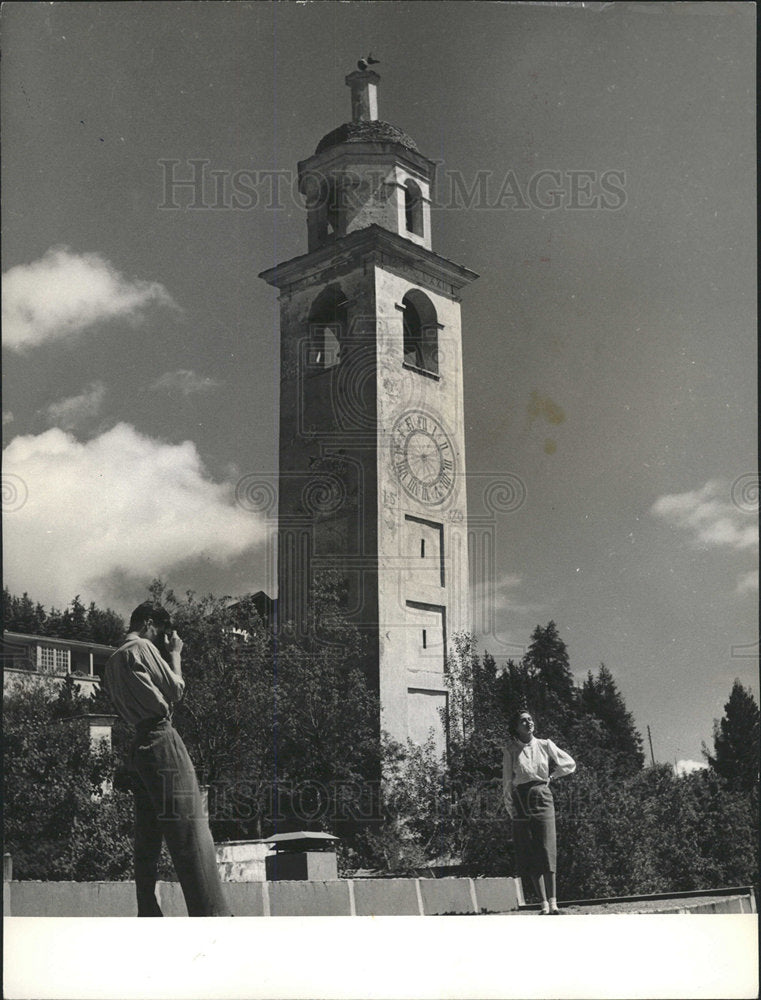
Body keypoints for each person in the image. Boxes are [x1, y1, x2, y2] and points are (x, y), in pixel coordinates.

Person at [104, 602, 231, 917]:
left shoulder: (110, 663)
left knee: (146, 837)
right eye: (161, 633)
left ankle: (148, 910)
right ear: (148, 624)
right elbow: (175, 691)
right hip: (162, 739)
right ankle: (212, 917)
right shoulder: (141, 647)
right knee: (190, 830)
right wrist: (175, 654)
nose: (162, 641)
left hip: (138, 748)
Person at [502, 708, 575, 914]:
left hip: (542, 796)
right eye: (523, 721)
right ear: (516, 727)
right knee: (530, 849)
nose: (529, 723)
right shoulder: (509, 751)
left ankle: (554, 903)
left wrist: (552, 777)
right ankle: (543, 904)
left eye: (530, 719)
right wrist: (511, 811)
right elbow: (507, 783)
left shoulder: (545, 745)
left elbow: (569, 763)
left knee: (547, 847)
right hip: (521, 800)